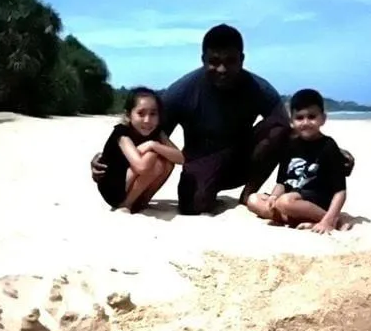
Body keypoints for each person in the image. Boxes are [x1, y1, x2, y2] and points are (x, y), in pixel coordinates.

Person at [90, 24, 356, 215]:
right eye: (214, 61)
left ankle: (247, 193)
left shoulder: (258, 88)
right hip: (201, 160)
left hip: (243, 158)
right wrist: (107, 163)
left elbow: (293, 132)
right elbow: (148, 132)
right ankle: (205, 193)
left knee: (277, 129)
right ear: (203, 59)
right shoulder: (183, 91)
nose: (222, 69)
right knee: (194, 206)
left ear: (242, 59)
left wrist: (328, 151)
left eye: (230, 61)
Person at [247, 88, 353, 234]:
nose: (305, 122)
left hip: (315, 200)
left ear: (323, 119)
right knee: (253, 200)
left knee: (285, 202)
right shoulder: (290, 145)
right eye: (300, 118)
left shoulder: (328, 146)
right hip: (290, 200)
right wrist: (272, 197)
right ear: (292, 121)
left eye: (312, 117)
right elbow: (282, 183)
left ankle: (332, 219)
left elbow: (340, 191)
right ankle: (301, 219)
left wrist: (327, 220)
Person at [94, 86, 184, 213]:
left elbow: (180, 158)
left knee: (167, 162)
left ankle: (142, 201)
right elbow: (141, 167)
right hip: (113, 186)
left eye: (153, 114)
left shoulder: (157, 133)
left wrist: (153, 144)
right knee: (152, 157)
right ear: (129, 115)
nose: (147, 120)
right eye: (141, 113)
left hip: (130, 180)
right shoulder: (122, 133)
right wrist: (151, 150)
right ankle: (126, 204)